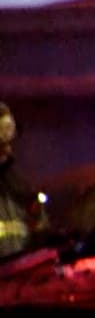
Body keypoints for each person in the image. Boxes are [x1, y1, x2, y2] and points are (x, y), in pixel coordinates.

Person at [0, 102, 48, 258]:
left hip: (22, 278)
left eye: (8, 142)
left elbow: (41, 234)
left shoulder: (22, 190)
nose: (8, 149)